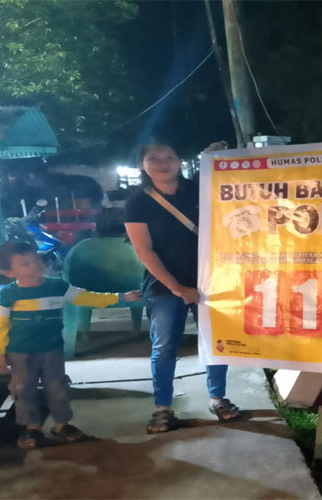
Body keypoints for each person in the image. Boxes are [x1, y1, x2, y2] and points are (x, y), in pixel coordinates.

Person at [125, 139, 240, 434]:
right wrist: (177, 287)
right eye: (154, 158)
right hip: (164, 286)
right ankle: (163, 408)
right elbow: (144, 250)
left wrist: (216, 162)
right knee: (164, 347)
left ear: (179, 162)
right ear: (142, 165)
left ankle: (218, 399)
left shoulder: (200, 189)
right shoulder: (138, 201)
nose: (163, 163)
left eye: (169, 156)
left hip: (210, 281)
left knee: (216, 343)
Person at [0, 240, 141, 448]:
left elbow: (88, 298)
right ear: (8, 272)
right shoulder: (7, 295)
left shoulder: (58, 286)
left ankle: (62, 425)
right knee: (23, 390)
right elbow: (0, 325)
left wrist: (121, 297)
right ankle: (31, 428)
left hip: (52, 350)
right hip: (20, 353)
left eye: (36, 259)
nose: (35, 265)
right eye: (26, 263)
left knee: (57, 387)